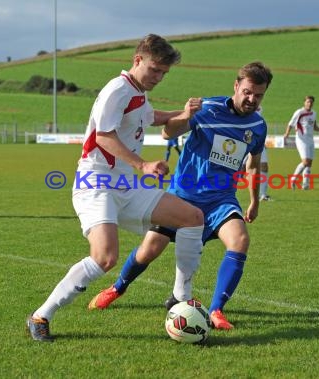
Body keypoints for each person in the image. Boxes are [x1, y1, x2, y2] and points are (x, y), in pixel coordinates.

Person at [26, 34, 205, 342]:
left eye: (164, 73)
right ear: (138, 61)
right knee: (105, 258)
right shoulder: (117, 90)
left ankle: (180, 297)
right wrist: (143, 165)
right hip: (95, 181)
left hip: (126, 184)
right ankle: (41, 315)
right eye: (155, 70)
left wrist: (182, 114)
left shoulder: (138, 92)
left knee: (192, 217)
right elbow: (103, 137)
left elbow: (151, 118)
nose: (159, 77)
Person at [88, 61, 273, 330]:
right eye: (247, 92)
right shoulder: (208, 108)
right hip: (184, 194)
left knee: (240, 240)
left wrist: (254, 200)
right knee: (148, 250)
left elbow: (253, 165)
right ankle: (117, 288)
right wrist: (186, 115)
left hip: (221, 199)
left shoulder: (258, 125)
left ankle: (216, 311)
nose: (251, 99)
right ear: (236, 86)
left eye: (258, 95)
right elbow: (167, 132)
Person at [283, 95, 319, 190]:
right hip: (301, 139)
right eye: (308, 102)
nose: (309, 104)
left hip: (310, 140)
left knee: (309, 163)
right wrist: (286, 134)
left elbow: (314, 126)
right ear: (304, 102)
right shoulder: (299, 112)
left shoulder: (314, 113)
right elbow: (290, 123)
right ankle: (293, 179)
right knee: (305, 161)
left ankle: (305, 185)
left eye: (311, 102)